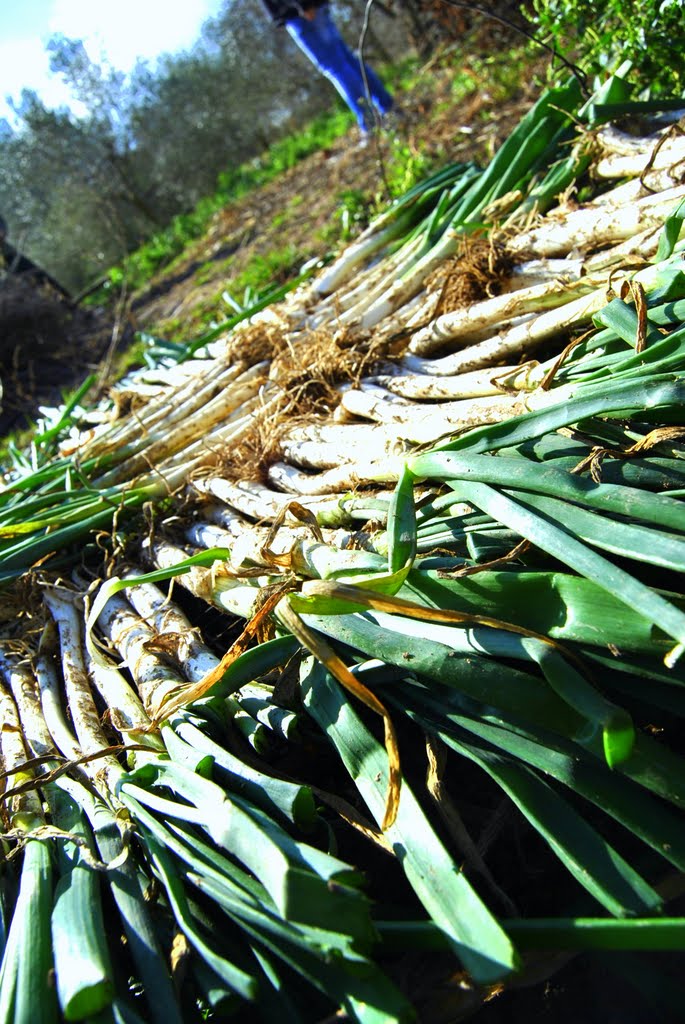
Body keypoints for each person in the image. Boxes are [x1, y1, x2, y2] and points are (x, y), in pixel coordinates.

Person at [261, 0, 395, 138]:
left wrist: (304, 4)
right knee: (347, 60)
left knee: (336, 68)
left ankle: (370, 122)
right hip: (310, 9)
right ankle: (388, 108)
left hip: (302, 13)